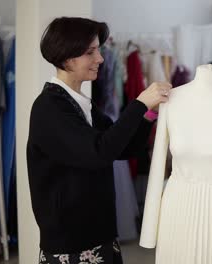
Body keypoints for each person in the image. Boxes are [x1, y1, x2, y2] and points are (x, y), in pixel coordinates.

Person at [27, 17, 171, 264]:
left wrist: (149, 114)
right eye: (90, 52)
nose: (100, 59)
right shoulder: (50, 107)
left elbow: (124, 148)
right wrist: (139, 104)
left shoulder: (81, 104)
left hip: (98, 235)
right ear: (66, 56)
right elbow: (98, 153)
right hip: (71, 244)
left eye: (98, 50)